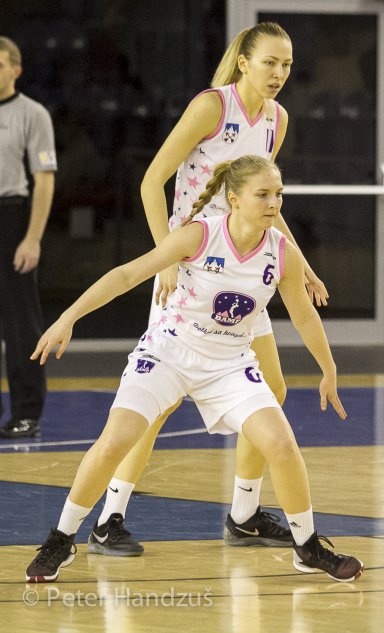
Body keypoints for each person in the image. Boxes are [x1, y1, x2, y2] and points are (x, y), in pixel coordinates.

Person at [25, 155, 363, 585]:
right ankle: (61, 539)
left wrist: (328, 368)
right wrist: (68, 317)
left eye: (278, 194)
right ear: (234, 198)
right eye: (262, 194)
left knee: (281, 443)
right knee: (115, 441)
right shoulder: (201, 234)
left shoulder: (282, 253)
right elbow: (127, 275)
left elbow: (304, 316)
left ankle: (308, 548)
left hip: (229, 363)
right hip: (169, 352)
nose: (273, 203)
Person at [90, 22, 329, 556]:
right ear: (243, 61)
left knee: (273, 389)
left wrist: (302, 265)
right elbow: (151, 181)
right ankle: (109, 517)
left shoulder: (277, 119)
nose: (279, 73)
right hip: (193, 265)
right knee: (155, 405)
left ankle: (243, 514)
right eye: (270, 62)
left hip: (244, 268)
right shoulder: (211, 107)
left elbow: (265, 201)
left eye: (287, 65)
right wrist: (166, 258)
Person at [0, 36, 55, 439]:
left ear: (15, 70)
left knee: (20, 322)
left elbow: (44, 179)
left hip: (11, 217)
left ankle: (26, 413)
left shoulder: (32, 114)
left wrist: (32, 238)